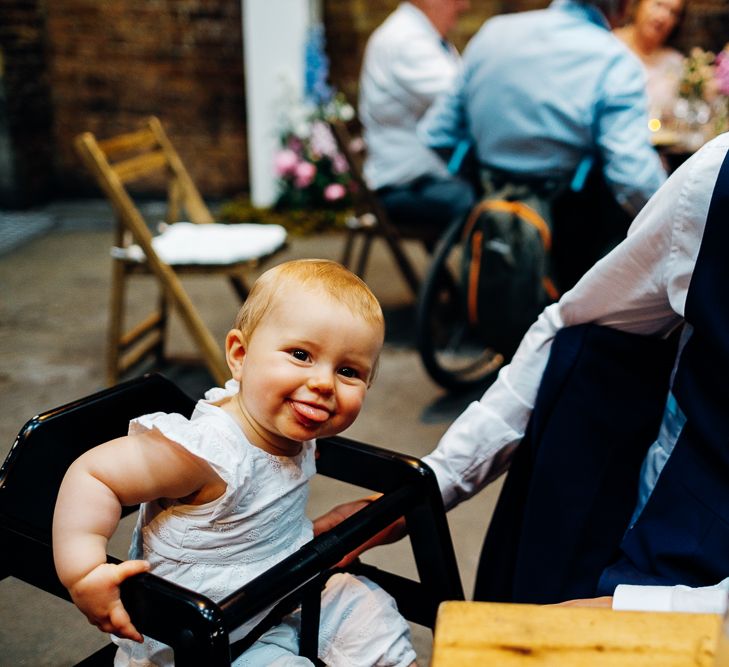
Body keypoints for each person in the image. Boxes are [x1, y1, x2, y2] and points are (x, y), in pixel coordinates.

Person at [315, 132, 729, 616]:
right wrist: (432, 484)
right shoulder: (715, 180)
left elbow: (446, 128)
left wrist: (643, 613)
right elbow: (576, 322)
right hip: (677, 516)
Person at [52, 259, 417, 667]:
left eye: (348, 371)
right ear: (240, 356)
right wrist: (84, 571)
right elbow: (95, 474)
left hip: (277, 596)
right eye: (301, 354)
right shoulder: (207, 453)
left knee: (370, 612)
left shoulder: (293, 431)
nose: (323, 383)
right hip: (199, 642)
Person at [418, 0, 668, 289]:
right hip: (570, 231)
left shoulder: (492, 34)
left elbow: (437, 133)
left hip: (491, 201)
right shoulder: (615, 60)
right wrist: (673, 217)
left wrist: (483, 179)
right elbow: (632, 177)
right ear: (623, 9)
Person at [359, 0, 476, 231]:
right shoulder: (408, 41)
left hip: (421, 180)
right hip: (405, 187)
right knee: (494, 207)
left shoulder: (420, 36)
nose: (465, 5)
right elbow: (467, 100)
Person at [615, 0, 685, 120]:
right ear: (638, 5)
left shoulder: (676, 62)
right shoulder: (610, 48)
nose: (663, 16)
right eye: (658, 5)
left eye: (673, 12)